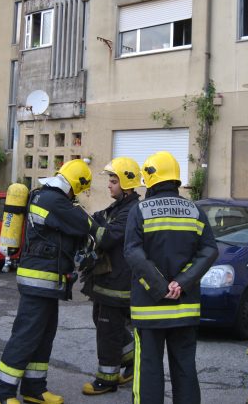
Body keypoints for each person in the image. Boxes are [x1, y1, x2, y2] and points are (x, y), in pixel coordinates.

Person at [0, 159, 98, 404]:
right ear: (73, 184)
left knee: (43, 337)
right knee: (26, 336)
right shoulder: (54, 202)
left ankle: (34, 389)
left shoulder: (45, 197)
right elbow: (85, 225)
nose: (75, 195)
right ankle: (3, 392)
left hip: (49, 283)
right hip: (39, 282)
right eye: (77, 190)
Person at [123, 151, 217, 403]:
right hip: (185, 308)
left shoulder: (140, 210)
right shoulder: (195, 211)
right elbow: (209, 250)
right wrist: (181, 283)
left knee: (149, 370)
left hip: (149, 308)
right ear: (176, 179)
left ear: (151, 179)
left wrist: (160, 286)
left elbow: (132, 252)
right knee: (185, 368)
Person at [81, 157, 141, 396]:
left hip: (117, 282)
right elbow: (99, 219)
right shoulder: (119, 207)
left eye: (114, 181)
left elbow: (106, 236)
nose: (109, 185)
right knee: (104, 322)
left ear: (126, 184)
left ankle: (106, 379)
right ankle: (134, 358)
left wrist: (84, 221)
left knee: (107, 328)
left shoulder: (131, 211)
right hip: (108, 279)